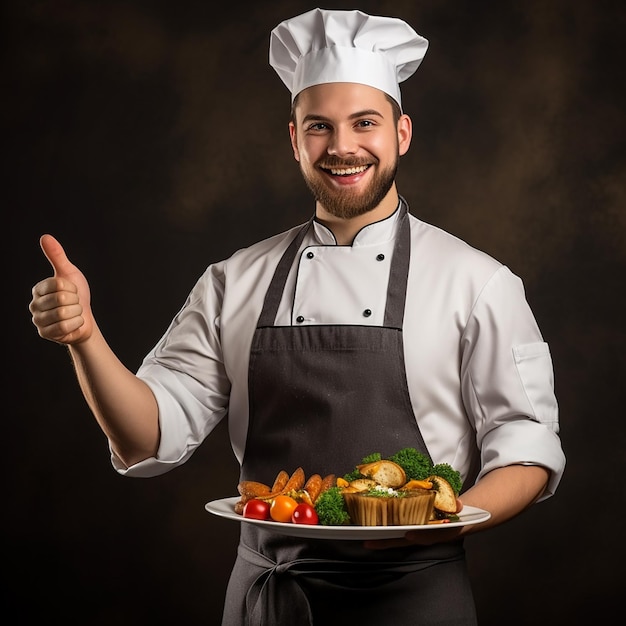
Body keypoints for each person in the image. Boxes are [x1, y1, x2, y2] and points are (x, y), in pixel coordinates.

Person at [29, 7, 565, 626]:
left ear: (402, 133)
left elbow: (527, 445)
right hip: (268, 598)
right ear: (293, 138)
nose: (341, 147)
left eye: (365, 123)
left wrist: (438, 525)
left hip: (414, 598)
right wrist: (85, 338)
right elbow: (147, 435)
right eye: (319, 126)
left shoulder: (477, 281)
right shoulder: (236, 279)